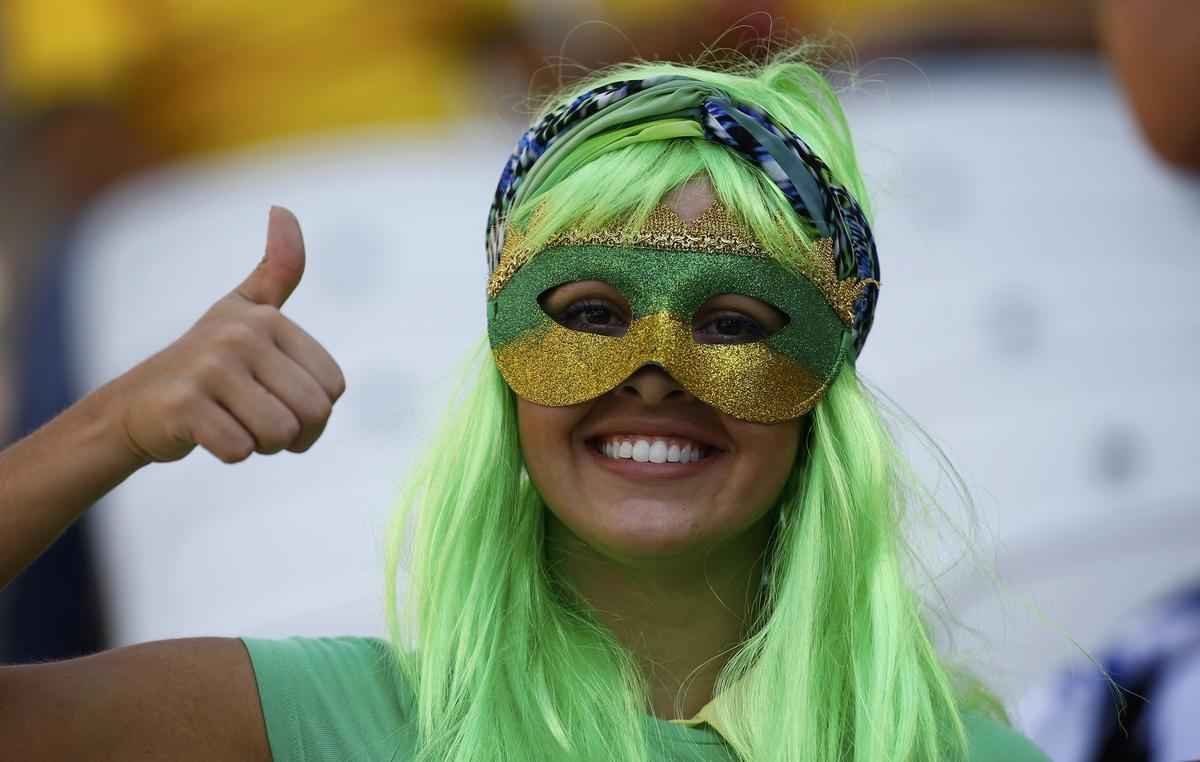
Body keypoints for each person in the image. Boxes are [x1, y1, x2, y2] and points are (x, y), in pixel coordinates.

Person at [0, 52, 1050, 760]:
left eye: (733, 323)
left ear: (826, 380)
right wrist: (112, 428)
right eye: (589, 311)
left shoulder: (957, 749)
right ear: (504, 366)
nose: (655, 369)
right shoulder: (348, 723)